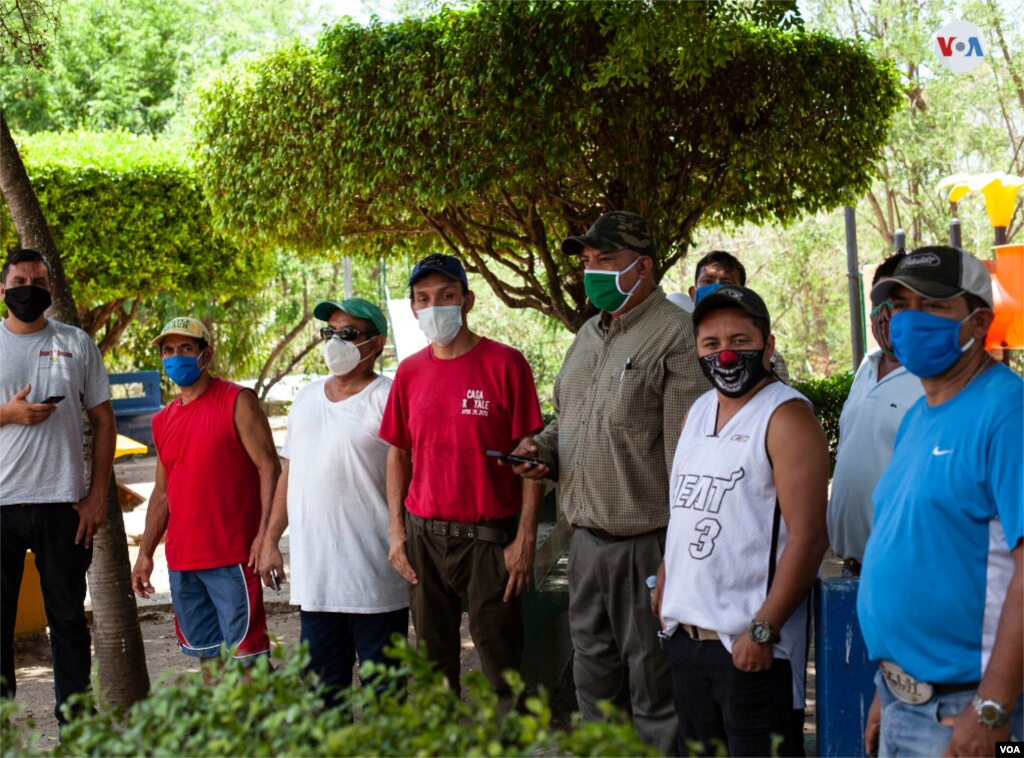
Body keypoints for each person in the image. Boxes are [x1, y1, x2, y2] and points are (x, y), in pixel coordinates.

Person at [512, 211, 708, 753]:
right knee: (593, 683)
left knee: (653, 687)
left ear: (643, 266)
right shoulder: (588, 335)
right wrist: (540, 450)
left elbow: (686, 461)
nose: (590, 271)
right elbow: (567, 421)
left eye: (605, 260)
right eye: (587, 262)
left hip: (647, 547)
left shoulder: (676, 335)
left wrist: (677, 560)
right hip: (586, 544)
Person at [858, 246, 1024, 757]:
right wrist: (890, 689)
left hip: (969, 717)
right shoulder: (918, 415)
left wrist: (992, 707)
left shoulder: (1007, 411)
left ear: (978, 323)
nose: (910, 319)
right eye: (902, 304)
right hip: (908, 703)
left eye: (933, 306)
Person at [654, 285, 829, 758]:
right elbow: (687, 509)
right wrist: (667, 581)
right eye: (711, 344)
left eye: (740, 340)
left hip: (750, 651)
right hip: (688, 641)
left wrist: (762, 631)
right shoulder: (698, 411)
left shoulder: (786, 416)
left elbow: (810, 540)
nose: (726, 354)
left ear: (768, 345)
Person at [380, 253, 544, 705]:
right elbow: (398, 454)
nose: (434, 307)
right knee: (434, 667)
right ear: (413, 307)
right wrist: (397, 532)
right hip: (423, 538)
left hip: (489, 540)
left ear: (467, 300)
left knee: (500, 661)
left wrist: (525, 538)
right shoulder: (409, 373)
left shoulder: (506, 364)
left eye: (446, 296)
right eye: (424, 298)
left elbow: (530, 457)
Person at [258, 297, 408, 708]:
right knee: (324, 700)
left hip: (375, 581)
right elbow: (291, 472)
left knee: (385, 700)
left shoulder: (388, 397)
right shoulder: (306, 397)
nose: (335, 342)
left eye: (349, 334)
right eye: (330, 332)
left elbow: (406, 473)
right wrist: (271, 539)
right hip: (317, 582)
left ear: (376, 344)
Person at [0, 248, 115, 725]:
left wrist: (96, 497)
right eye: (22, 280)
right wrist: (9, 414)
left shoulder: (76, 342)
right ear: (2, 289)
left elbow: (104, 421)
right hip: (1, 506)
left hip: (62, 505)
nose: (31, 288)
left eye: (40, 281)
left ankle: (78, 730)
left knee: (68, 624)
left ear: (50, 288)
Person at [131, 316, 280, 665]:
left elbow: (270, 466)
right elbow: (162, 493)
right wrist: (145, 553)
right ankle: (223, 721)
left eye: (186, 348)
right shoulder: (161, 420)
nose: (175, 356)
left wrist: (265, 536)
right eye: (168, 350)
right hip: (183, 561)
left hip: (234, 556)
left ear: (206, 354)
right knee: (208, 660)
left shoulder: (237, 400)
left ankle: (259, 719)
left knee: (248, 660)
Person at [826, 251, 923, 576]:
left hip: (904, 573)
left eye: (895, 304)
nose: (883, 316)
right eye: (877, 303)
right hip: (851, 569)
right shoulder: (866, 369)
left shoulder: (936, 381)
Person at [680, 250, 790, 382]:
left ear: (741, 292)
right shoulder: (674, 344)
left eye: (726, 283)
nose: (717, 289)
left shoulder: (768, 357)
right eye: (708, 281)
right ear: (693, 293)